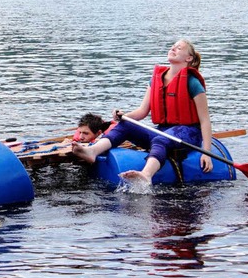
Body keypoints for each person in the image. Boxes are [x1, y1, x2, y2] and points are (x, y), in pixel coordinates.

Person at [71, 39, 214, 184]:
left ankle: (146, 174)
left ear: (188, 58)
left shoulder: (192, 82)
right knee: (126, 125)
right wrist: (124, 117)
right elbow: (142, 112)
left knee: (161, 139)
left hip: (188, 133)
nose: (173, 48)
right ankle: (93, 151)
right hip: (164, 131)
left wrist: (206, 153)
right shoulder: (156, 80)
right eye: (172, 46)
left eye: (179, 48)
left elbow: (205, 120)